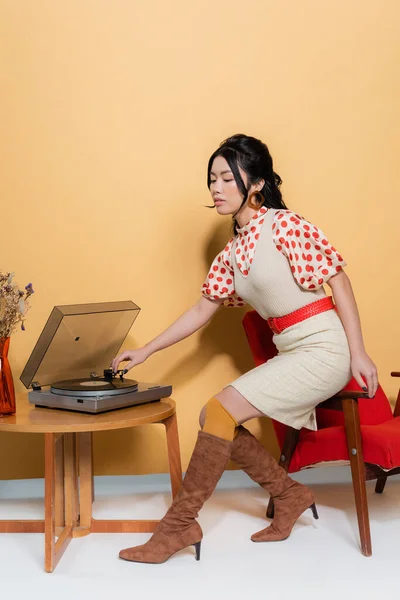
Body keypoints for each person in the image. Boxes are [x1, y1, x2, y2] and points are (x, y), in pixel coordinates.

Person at [112, 134, 378, 564]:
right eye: (211, 180)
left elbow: (339, 282)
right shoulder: (231, 254)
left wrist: (359, 352)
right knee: (211, 415)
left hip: (325, 348)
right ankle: (289, 495)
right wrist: (148, 351)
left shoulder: (286, 225)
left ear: (255, 184)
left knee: (217, 411)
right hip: (292, 352)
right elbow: (202, 310)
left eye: (226, 179)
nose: (216, 188)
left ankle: (178, 526)